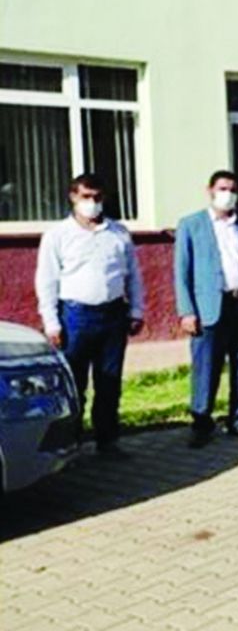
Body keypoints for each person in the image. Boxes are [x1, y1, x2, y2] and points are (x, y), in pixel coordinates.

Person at [34, 173, 145, 459]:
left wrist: (136, 310)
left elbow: (133, 275)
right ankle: (70, 444)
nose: (92, 203)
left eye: (97, 197)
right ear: (73, 197)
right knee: (74, 385)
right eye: (86, 197)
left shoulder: (118, 233)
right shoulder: (58, 235)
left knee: (109, 383)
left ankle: (107, 441)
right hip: (76, 317)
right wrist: (51, 323)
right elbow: (47, 281)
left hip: (113, 315)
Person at [174, 170, 238, 448]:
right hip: (209, 307)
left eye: (232, 190)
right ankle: (201, 422)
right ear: (210, 191)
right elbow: (182, 271)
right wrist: (187, 311)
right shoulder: (191, 224)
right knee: (206, 366)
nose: (228, 194)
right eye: (223, 188)